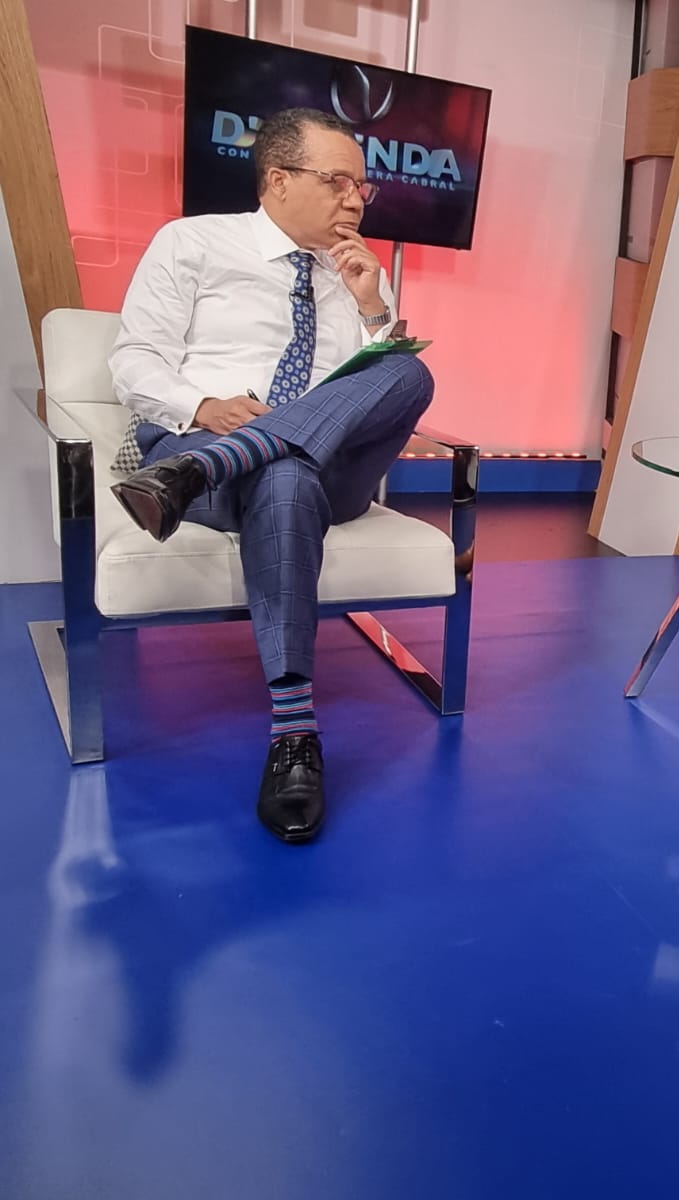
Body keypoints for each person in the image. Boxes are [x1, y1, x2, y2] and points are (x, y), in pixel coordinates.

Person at [108, 107, 435, 844]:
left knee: (409, 370)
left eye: (362, 186)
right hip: (202, 437)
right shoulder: (193, 242)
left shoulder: (356, 274)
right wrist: (202, 407)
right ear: (278, 179)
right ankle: (294, 733)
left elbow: (372, 388)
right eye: (338, 181)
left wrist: (373, 308)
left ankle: (212, 466)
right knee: (284, 478)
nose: (356, 199)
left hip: (280, 471)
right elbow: (134, 359)